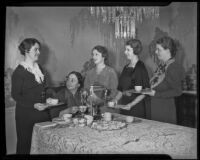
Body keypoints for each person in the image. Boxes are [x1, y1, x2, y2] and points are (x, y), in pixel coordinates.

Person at [11, 38, 51, 154]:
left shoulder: (40, 69)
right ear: (27, 51)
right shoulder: (19, 72)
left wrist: (47, 98)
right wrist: (33, 104)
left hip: (42, 113)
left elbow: (43, 90)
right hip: (26, 116)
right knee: (26, 145)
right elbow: (15, 95)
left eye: (39, 49)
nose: (39, 52)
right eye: (36, 49)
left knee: (44, 144)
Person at [142, 36, 184, 124]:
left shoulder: (174, 67)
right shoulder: (162, 65)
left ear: (168, 50)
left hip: (164, 111)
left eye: (159, 49)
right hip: (155, 108)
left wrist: (156, 93)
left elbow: (177, 91)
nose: (156, 52)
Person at [106, 39, 151, 119]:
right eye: (125, 49)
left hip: (136, 108)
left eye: (128, 50)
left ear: (135, 51)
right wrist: (115, 100)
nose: (125, 52)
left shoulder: (140, 67)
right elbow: (121, 89)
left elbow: (146, 91)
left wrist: (131, 104)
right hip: (124, 107)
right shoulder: (126, 67)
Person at [83, 45, 118, 110]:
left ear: (103, 56)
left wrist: (103, 100)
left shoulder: (111, 72)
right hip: (91, 108)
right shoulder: (89, 73)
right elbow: (86, 88)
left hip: (106, 108)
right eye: (93, 54)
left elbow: (114, 91)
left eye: (96, 54)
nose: (94, 57)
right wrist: (85, 94)